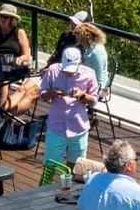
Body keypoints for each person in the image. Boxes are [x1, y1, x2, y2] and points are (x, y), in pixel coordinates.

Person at [39, 48, 100, 185]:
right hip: (56, 127)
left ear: (80, 62)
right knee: (51, 167)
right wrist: (52, 93)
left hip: (78, 128)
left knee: (77, 169)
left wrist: (83, 95)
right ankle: (47, 194)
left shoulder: (89, 74)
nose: (68, 72)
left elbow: (94, 100)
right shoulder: (53, 70)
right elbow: (42, 95)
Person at [0, 4, 33, 107]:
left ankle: (0, 107)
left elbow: (26, 54)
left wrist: (19, 59)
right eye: (1, 16)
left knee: (3, 77)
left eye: (6, 17)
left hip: (10, 65)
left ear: (12, 19)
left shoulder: (19, 32)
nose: (2, 19)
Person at [78, 22, 110, 89]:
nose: (79, 42)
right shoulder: (88, 49)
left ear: (87, 38)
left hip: (93, 87)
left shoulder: (97, 53)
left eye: (80, 39)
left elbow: (99, 79)